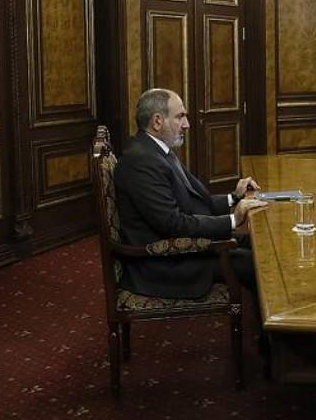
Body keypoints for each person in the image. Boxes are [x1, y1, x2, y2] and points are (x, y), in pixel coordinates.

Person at [113, 88, 268, 300]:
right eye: (180, 116)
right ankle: (278, 321)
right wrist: (234, 219)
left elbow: (194, 200)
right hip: (164, 263)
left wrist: (234, 197)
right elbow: (173, 223)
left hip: (183, 248)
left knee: (261, 245)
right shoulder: (141, 162)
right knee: (258, 264)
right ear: (157, 121)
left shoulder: (156, 151)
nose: (187, 124)